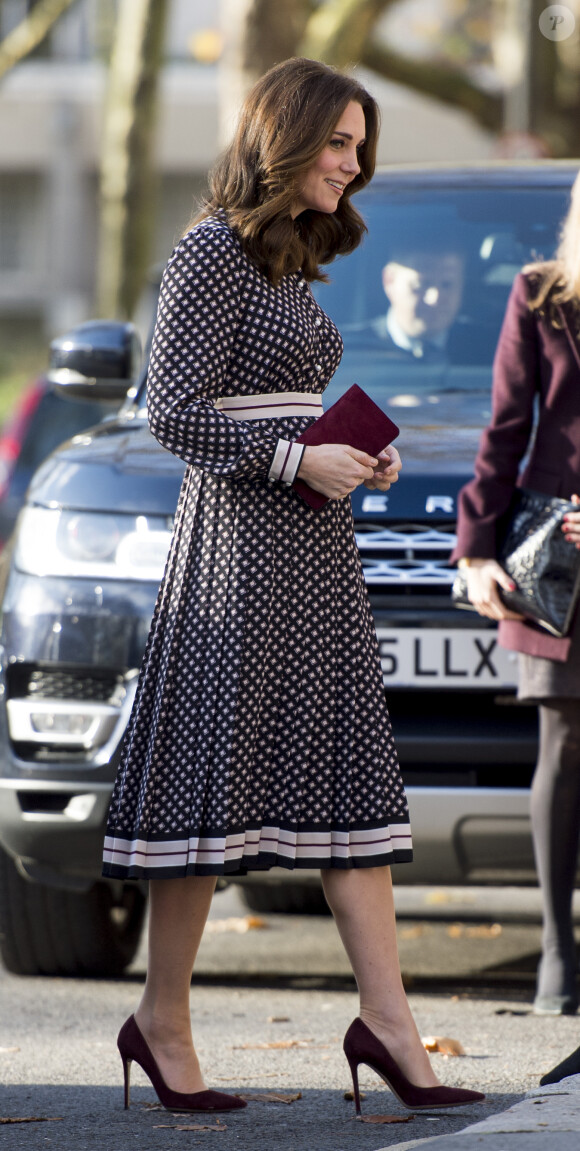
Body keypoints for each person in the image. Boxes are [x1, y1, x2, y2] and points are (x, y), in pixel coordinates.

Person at [102, 57, 484, 1117]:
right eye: (340, 144)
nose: (353, 168)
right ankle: (162, 1021)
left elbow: (270, 407)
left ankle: (390, 1026)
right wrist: (291, 457)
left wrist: (350, 453)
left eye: (360, 149)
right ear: (286, 135)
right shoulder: (208, 255)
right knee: (208, 797)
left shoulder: (287, 266)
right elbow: (168, 412)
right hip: (234, 551)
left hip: (313, 553)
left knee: (350, 777)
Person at [452, 171, 580, 1032]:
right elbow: (505, 428)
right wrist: (474, 546)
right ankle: (558, 955)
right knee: (564, 742)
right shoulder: (539, 295)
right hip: (557, 561)